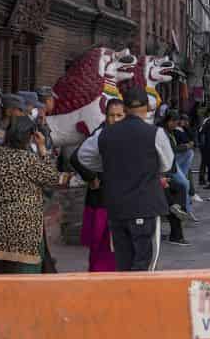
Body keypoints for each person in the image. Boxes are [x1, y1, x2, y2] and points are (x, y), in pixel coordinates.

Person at [75, 87, 174, 271]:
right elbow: (166, 164)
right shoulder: (155, 133)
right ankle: (138, 297)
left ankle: (125, 296)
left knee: (122, 259)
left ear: (125, 108)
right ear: (147, 108)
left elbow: (83, 156)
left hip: (116, 207)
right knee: (144, 260)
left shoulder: (103, 133)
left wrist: (108, 166)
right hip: (145, 205)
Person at [0, 116, 58, 273]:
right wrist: (42, 148)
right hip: (24, 237)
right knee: (24, 290)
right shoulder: (29, 160)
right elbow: (52, 178)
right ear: (30, 136)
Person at [78, 99, 126, 272]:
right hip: (101, 200)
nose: (115, 119)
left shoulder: (126, 134)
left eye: (119, 115)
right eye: (111, 115)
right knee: (100, 246)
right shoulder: (100, 134)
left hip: (119, 200)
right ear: (105, 117)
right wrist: (91, 177)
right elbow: (76, 158)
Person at [162, 111, 196, 245]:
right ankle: (181, 210)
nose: (176, 125)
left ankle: (180, 210)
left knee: (182, 187)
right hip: (165, 171)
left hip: (168, 170)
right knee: (181, 187)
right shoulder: (162, 133)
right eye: (174, 122)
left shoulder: (172, 132)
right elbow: (172, 149)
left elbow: (188, 137)